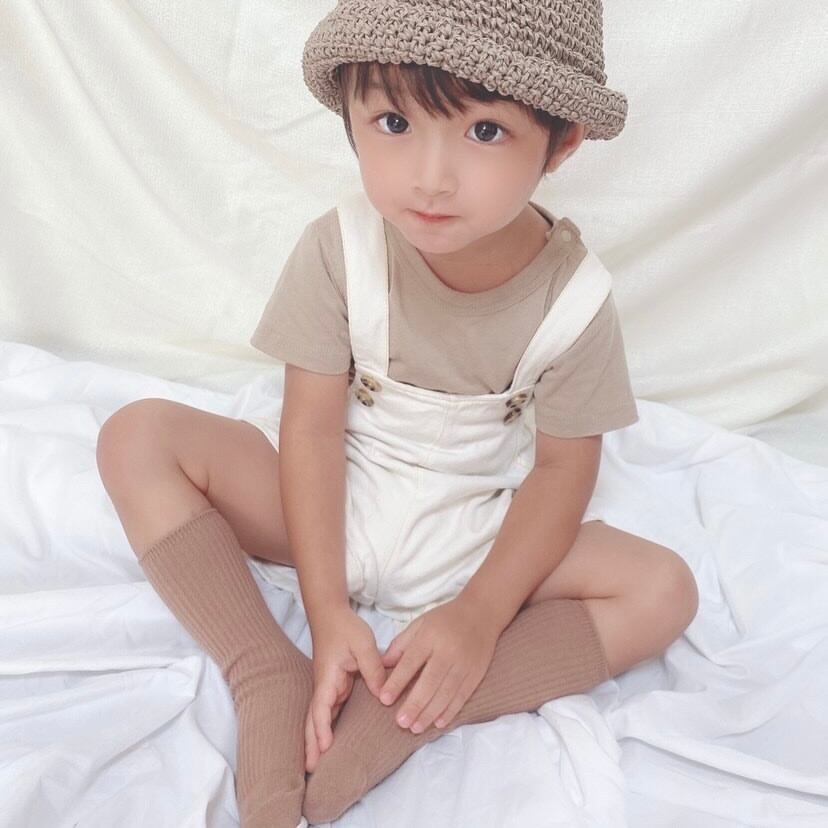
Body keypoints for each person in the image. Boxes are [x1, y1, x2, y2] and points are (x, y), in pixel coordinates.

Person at [95, 1, 699, 826]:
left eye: (484, 131)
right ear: (349, 114)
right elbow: (311, 430)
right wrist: (327, 614)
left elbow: (563, 471)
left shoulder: (577, 300)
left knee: (663, 589)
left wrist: (479, 616)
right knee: (137, 436)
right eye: (393, 122)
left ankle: (413, 709)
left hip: (472, 530)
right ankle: (263, 669)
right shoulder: (339, 249)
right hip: (329, 505)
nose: (430, 177)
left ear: (561, 143)